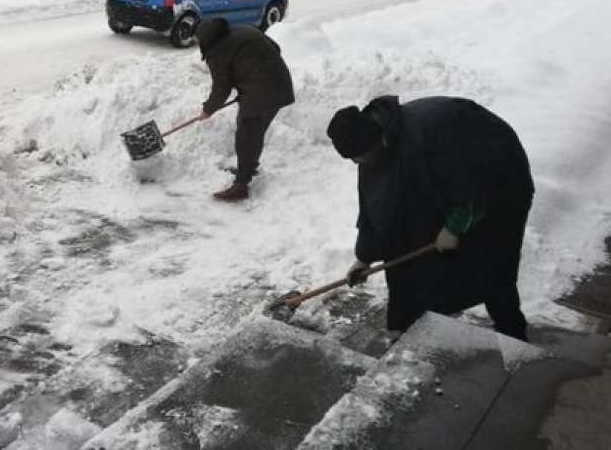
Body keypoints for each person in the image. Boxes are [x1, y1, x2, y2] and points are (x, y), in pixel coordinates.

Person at [326, 95, 534, 342]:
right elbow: (377, 209)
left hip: (500, 178)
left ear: (378, 141)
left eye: (359, 156)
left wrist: (454, 227)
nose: (356, 162)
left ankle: (513, 333)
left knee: (490, 260)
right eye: (352, 159)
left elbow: (472, 186)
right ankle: (409, 329)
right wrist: (364, 258)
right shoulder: (371, 148)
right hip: (447, 186)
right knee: (406, 244)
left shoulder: (431, 137)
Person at [194, 18, 295, 201]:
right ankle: (248, 167)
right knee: (253, 132)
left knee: (247, 134)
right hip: (280, 83)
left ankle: (241, 185)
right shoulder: (243, 28)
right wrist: (249, 79)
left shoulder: (217, 51)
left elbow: (221, 88)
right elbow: (275, 47)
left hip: (262, 92)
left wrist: (208, 109)